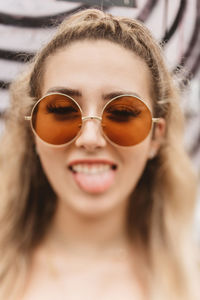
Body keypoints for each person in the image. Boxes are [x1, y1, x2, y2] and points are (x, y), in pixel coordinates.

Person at [0, 8, 198, 300]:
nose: (90, 139)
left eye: (121, 112)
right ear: (33, 131)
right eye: (63, 110)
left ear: (156, 136)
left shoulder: (192, 280)